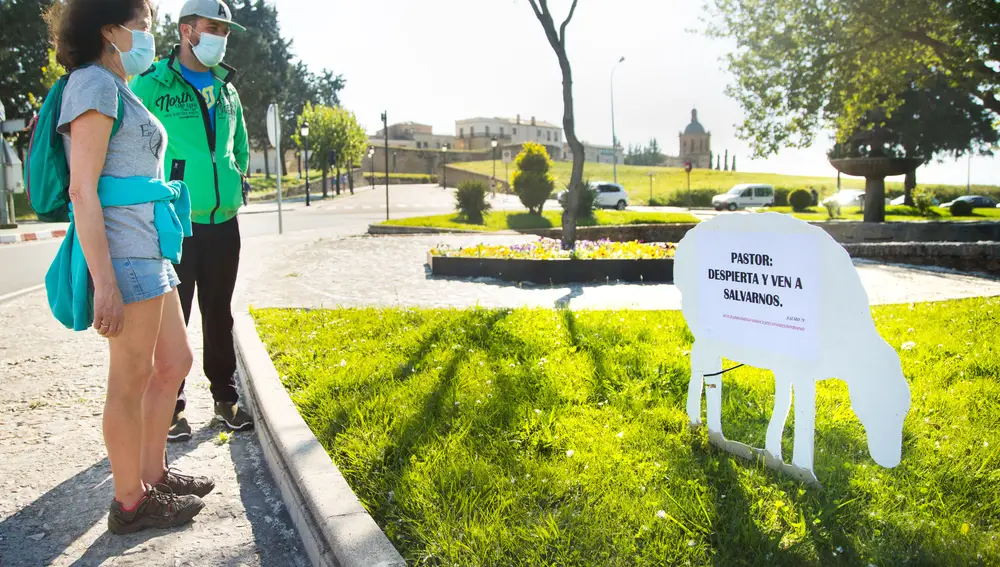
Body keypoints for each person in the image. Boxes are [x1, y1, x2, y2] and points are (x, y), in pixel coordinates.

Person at [47, 0, 214, 534]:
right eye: (142, 25)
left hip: (150, 246)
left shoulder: (115, 86)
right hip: (125, 253)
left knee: (174, 362)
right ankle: (129, 503)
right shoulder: (92, 85)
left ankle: (153, 473)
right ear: (109, 29)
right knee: (131, 378)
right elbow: (82, 188)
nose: (149, 34)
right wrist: (105, 284)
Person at [130, 0, 253, 443]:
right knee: (174, 318)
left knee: (219, 312)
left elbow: (237, 147)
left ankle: (226, 398)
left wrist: (237, 180)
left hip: (225, 221)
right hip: (174, 222)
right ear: (186, 31)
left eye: (225, 29)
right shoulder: (150, 86)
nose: (221, 36)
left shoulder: (227, 90)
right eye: (212, 27)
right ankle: (171, 407)